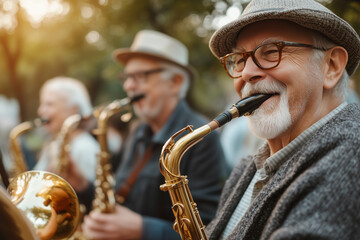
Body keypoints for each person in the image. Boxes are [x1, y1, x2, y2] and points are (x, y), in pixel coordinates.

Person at [205, 0, 360, 239]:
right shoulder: (246, 168)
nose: (246, 74)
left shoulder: (353, 155)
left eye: (271, 52)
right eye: (239, 59)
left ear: (331, 66)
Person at [77, 30, 228, 240]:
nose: (128, 86)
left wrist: (142, 229)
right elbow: (119, 198)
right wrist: (83, 186)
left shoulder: (201, 138)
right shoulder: (139, 131)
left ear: (175, 82)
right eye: (127, 77)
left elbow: (210, 227)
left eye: (140, 76)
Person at [33, 76, 99, 205]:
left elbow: (91, 200)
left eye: (49, 104)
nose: (40, 111)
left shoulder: (85, 147)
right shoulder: (53, 142)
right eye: (42, 104)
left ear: (73, 110)